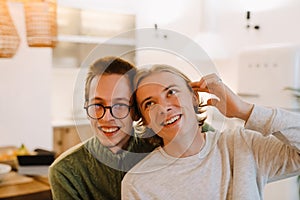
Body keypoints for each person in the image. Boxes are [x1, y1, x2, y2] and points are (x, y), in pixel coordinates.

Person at [121, 64, 300, 200]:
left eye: (171, 92)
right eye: (149, 103)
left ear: (194, 97)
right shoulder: (138, 184)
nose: (164, 107)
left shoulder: (242, 146)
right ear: (145, 120)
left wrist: (244, 110)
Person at [49, 57, 159, 200]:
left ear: (136, 112)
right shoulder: (65, 171)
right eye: (97, 105)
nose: (106, 118)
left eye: (120, 105)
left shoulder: (160, 148)